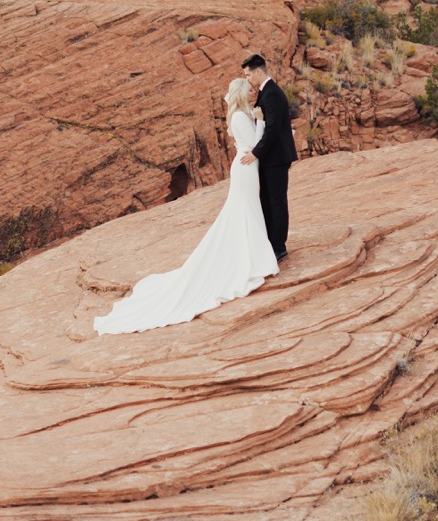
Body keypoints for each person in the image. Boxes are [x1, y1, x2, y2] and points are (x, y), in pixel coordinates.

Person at [94, 77, 278, 335]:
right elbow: (254, 145)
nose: (254, 91)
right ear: (240, 93)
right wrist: (261, 121)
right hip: (246, 168)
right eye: (250, 89)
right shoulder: (239, 117)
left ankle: (251, 254)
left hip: (248, 167)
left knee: (246, 210)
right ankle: (250, 259)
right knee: (244, 210)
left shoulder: (241, 113)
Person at [239, 53, 296, 261]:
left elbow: (272, 130)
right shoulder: (267, 92)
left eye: (248, 75)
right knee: (268, 200)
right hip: (272, 158)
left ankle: (279, 247)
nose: (248, 80)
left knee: (276, 201)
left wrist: (255, 153)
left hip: (277, 158)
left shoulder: (271, 93)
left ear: (258, 72)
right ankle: (272, 242)